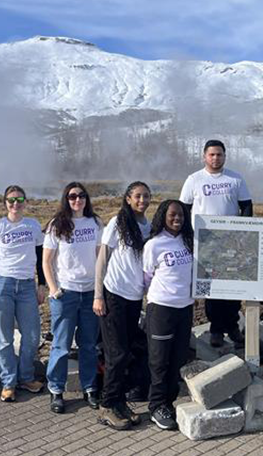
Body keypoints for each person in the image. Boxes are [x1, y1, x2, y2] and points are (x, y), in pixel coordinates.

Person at [179, 139, 252, 348]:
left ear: (224, 156)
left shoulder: (235, 179)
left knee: (232, 287)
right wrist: (189, 236)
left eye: (219, 154)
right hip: (205, 243)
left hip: (231, 243)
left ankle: (233, 327)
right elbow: (184, 209)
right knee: (212, 289)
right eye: (211, 154)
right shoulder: (194, 180)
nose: (215, 158)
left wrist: (244, 234)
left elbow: (246, 207)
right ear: (204, 156)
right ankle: (216, 330)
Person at [93, 182, 152, 430]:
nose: (142, 200)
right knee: (115, 353)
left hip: (133, 297)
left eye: (146, 196)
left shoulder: (146, 225)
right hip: (114, 294)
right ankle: (107, 406)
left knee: (125, 350)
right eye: (137, 196)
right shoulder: (118, 222)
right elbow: (102, 260)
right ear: (128, 198)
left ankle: (118, 402)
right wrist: (98, 296)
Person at [0, 185, 46, 402]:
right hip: (2, 286)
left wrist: (42, 285)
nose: (15, 204)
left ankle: (26, 377)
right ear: (4, 203)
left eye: (19, 199)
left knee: (32, 335)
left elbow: (40, 257)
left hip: (27, 286)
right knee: (5, 339)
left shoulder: (33, 226)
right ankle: (8, 383)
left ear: (25, 202)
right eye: (11, 200)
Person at [43, 182, 103, 414]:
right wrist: (53, 289)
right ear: (65, 199)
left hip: (90, 293)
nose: (77, 200)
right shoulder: (57, 225)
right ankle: (56, 389)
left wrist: (100, 290)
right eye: (72, 196)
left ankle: (89, 388)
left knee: (88, 344)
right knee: (61, 344)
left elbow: (100, 258)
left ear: (87, 199)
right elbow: (47, 261)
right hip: (66, 293)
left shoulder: (96, 223)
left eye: (81, 196)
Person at [143, 200, 195, 431]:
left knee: (177, 359)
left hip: (186, 308)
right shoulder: (154, 245)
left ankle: (169, 402)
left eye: (181, 215)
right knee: (159, 361)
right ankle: (156, 406)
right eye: (173, 215)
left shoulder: (189, 241)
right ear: (163, 216)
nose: (177, 219)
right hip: (162, 308)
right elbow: (146, 277)